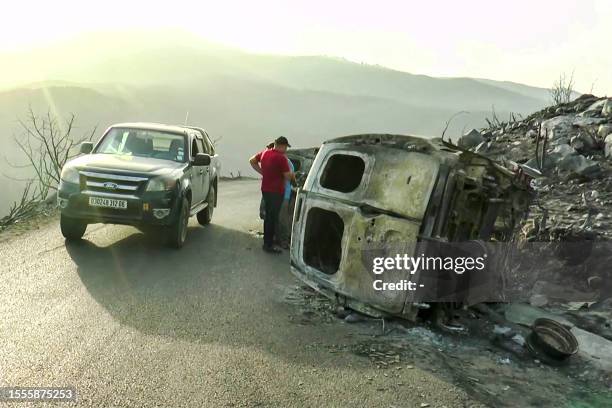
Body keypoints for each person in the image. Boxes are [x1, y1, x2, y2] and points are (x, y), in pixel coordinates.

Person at [249, 136, 295, 253]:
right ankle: (269, 245)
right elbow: (287, 176)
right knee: (272, 218)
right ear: (282, 146)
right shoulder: (281, 158)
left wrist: (262, 172)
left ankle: (267, 241)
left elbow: (252, 161)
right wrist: (293, 175)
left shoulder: (265, 153)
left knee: (269, 217)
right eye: (286, 147)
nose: (286, 150)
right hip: (276, 192)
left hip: (266, 190)